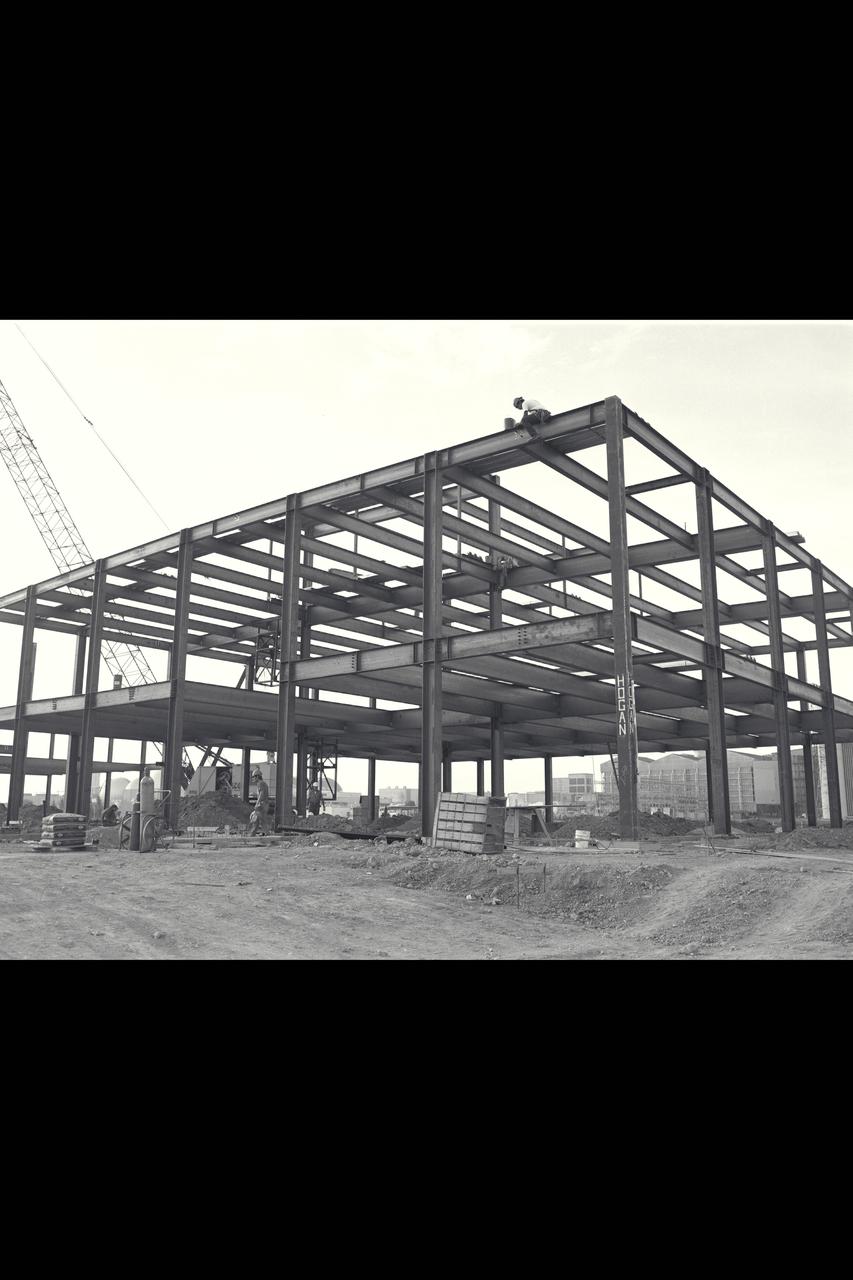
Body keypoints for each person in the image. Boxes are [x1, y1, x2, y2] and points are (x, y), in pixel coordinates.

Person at [251, 767, 269, 835]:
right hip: (264, 804)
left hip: (262, 804)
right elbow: (262, 793)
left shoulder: (260, 783)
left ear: (257, 776)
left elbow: (262, 794)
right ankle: (252, 833)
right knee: (258, 820)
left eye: (254, 777)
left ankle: (266, 834)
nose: (253, 778)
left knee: (259, 820)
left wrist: (257, 803)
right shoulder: (262, 783)